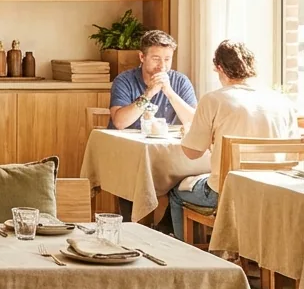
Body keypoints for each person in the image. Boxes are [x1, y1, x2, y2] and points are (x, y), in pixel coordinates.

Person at [169, 41, 297, 240]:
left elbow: (192, 152)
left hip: (230, 194)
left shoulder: (214, 99)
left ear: (219, 68)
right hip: (273, 194)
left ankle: (190, 260)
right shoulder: (282, 102)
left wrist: (189, 132)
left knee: (176, 192)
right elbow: (293, 155)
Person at [108, 29, 198, 130]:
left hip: (162, 143)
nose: (162, 66)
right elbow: (119, 123)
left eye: (167, 59)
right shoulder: (124, 80)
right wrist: (149, 93)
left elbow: (194, 122)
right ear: (142, 57)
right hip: (126, 143)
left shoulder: (181, 81)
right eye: (156, 59)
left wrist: (169, 92)